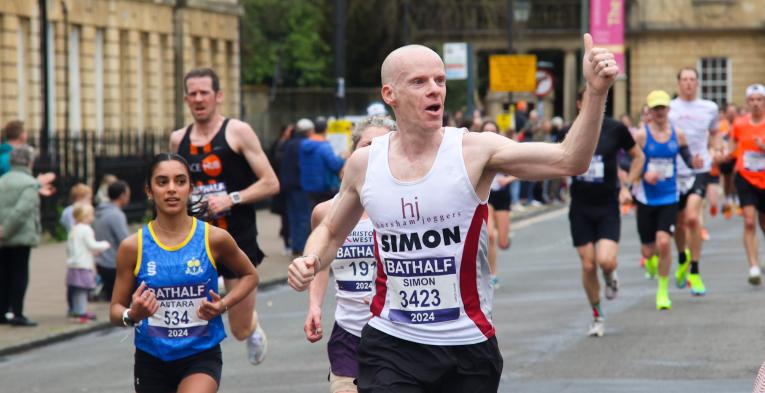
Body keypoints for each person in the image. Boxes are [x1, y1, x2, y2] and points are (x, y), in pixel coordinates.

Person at [288, 35, 618, 392]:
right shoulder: (365, 163)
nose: (434, 90)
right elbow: (332, 229)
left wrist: (596, 92)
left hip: (467, 344)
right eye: (419, 82)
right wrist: (311, 259)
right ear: (390, 94)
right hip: (391, 341)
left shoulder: (474, 151)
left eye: (440, 81)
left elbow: (571, 159)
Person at [110, 153, 259, 393]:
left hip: (200, 354)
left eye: (180, 181)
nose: (171, 189)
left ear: (190, 188)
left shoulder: (213, 238)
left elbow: (250, 275)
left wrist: (223, 305)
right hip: (152, 359)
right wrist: (132, 314)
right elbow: (115, 310)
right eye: (162, 182)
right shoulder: (133, 247)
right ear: (149, 190)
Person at [170, 67, 279, 365]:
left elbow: (271, 182)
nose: (198, 98)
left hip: (236, 239)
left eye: (204, 92)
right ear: (185, 99)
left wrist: (231, 198)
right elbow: (173, 185)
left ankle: (252, 327)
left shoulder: (237, 131)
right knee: (189, 319)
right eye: (192, 94)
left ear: (218, 96)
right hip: (195, 240)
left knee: (240, 330)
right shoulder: (178, 139)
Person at [304, 116, 395, 393]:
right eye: (368, 145)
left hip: (397, 333)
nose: (374, 153)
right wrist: (315, 306)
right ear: (354, 152)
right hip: (348, 331)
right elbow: (321, 261)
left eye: (384, 145)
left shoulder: (404, 209)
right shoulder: (325, 211)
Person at [566, 89, 645, 336]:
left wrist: (628, 186)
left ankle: (610, 275)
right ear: (579, 104)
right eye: (587, 100)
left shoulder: (615, 129)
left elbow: (638, 157)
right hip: (580, 207)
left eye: (597, 100)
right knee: (589, 265)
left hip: (608, 205)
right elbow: (554, 160)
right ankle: (597, 315)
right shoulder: (569, 132)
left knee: (605, 261)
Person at [633, 90, 700, 310]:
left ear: (668, 110)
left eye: (663, 108)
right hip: (645, 198)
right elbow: (627, 163)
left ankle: (662, 292)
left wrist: (695, 163)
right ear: (649, 112)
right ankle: (651, 262)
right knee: (648, 251)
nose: (660, 112)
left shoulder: (677, 134)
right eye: (655, 108)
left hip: (669, 195)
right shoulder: (642, 136)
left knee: (664, 242)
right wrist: (644, 174)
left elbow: (687, 159)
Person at [669, 67, 722, 296]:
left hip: (699, 168)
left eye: (692, 79)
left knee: (692, 217)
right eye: (684, 80)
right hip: (674, 171)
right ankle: (682, 256)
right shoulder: (669, 109)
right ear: (678, 83)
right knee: (679, 224)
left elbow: (715, 134)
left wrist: (717, 149)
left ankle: (695, 271)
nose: (688, 83)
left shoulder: (709, 108)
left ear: (697, 83)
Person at [0, 145, 52, 326]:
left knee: (4, 274)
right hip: (20, 237)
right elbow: (22, 210)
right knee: (19, 276)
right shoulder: (30, 183)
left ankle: (2, 311)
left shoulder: (2, 180)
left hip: (3, 239)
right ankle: (17, 313)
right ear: (29, 162)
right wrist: (5, 229)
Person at [729, 84, 765, 285]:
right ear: (747, 102)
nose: (756, 103)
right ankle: (753, 266)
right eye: (752, 100)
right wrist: (723, 154)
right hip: (746, 177)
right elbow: (733, 148)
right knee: (749, 221)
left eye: (759, 99)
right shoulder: (740, 124)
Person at [478, 120, 515, 289]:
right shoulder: (476, 151)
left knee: (502, 242)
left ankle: (506, 234)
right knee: (490, 236)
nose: (489, 134)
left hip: (503, 195)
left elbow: (521, 169)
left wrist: (508, 179)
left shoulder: (505, 149)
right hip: (488, 195)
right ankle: (493, 275)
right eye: (486, 131)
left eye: (493, 131)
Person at [66, 202, 110, 323]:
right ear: (85, 216)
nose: (93, 217)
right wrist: (104, 245)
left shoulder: (73, 229)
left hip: (73, 264)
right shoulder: (86, 229)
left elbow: (76, 247)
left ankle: (76, 310)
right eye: (91, 215)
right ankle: (81, 312)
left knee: (76, 290)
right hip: (83, 265)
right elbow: (91, 244)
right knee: (83, 290)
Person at [93, 180, 131, 301]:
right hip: (112, 265)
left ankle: (104, 291)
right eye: (127, 194)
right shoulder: (116, 215)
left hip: (100, 263)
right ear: (122, 195)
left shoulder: (100, 211)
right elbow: (126, 242)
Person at [300, 117, 346, 206]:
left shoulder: (304, 145)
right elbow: (335, 165)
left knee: (313, 210)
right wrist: (342, 157)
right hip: (324, 186)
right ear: (326, 130)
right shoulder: (324, 146)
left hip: (308, 184)